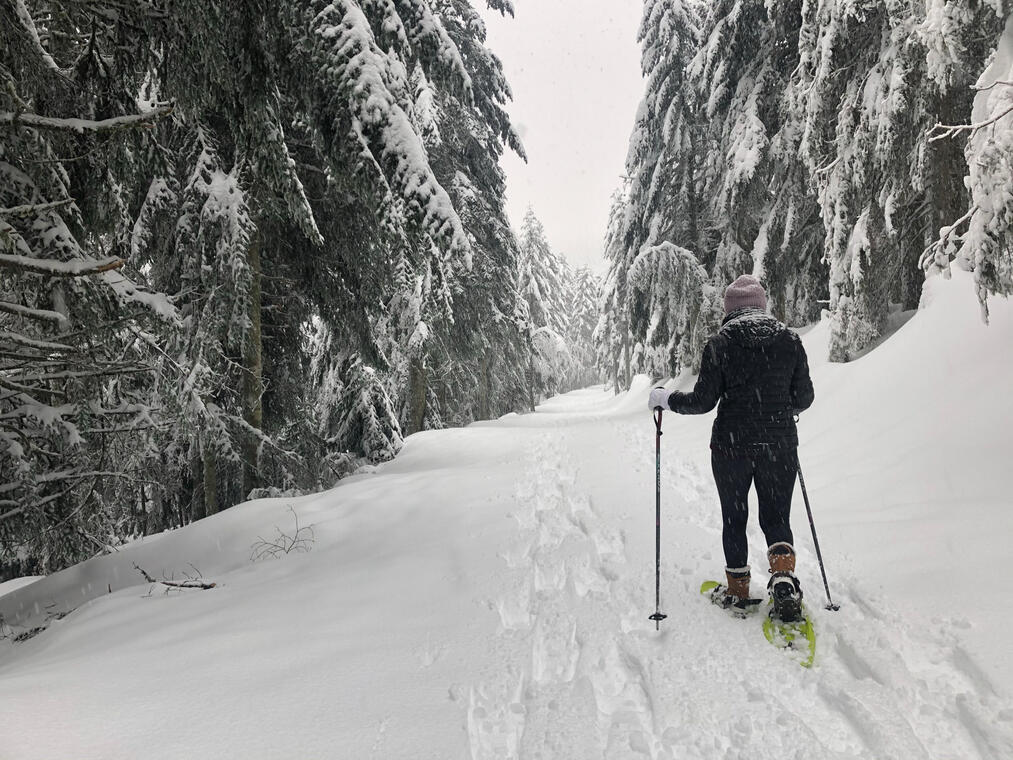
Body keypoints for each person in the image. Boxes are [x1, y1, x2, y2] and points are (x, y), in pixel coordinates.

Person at [648, 274, 814, 619]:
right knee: (776, 516)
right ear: (762, 306)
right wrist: (782, 407)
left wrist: (667, 398)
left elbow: (703, 401)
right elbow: (805, 397)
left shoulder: (721, 343)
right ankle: (783, 578)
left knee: (734, 517)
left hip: (731, 448)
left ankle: (738, 590)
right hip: (779, 445)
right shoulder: (789, 341)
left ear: (730, 310)